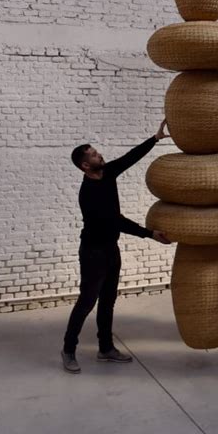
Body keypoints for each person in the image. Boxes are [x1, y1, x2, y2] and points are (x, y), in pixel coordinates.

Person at [61, 119, 172, 374]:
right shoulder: (88, 193)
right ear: (85, 166)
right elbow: (115, 221)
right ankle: (68, 350)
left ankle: (106, 348)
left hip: (111, 249)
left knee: (108, 301)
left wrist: (154, 138)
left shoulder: (107, 172)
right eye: (95, 155)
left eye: (98, 152)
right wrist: (150, 234)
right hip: (92, 252)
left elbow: (129, 158)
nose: (101, 155)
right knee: (86, 302)